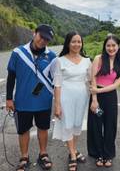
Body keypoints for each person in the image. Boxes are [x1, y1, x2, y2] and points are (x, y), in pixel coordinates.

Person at [6, 24, 56, 171]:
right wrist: (9, 98)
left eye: (47, 39)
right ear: (34, 34)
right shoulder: (18, 53)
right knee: (23, 130)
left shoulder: (52, 56)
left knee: (43, 128)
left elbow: (56, 80)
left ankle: (43, 153)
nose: (43, 41)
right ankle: (24, 156)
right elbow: (11, 76)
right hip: (22, 101)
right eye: (41, 37)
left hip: (44, 102)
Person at [52, 31, 91, 171]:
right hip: (65, 97)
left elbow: (90, 81)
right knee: (68, 124)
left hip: (82, 97)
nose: (76, 44)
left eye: (79, 41)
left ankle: (73, 150)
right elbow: (57, 84)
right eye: (73, 41)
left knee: (77, 124)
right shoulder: (60, 60)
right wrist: (57, 105)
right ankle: (73, 155)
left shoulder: (87, 60)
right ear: (68, 43)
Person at [87, 34, 120, 168]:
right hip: (97, 98)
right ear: (105, 46)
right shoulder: (99, 58)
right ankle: (98, 154)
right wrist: (94, 99)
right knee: (96, 124)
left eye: (113, 45)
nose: (111, 48)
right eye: (108, 45)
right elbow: (93, 79)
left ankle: (108, 155)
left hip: (110, 98)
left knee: (110, 125)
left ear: (118, 46)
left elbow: (116, 84)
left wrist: (98, 91)